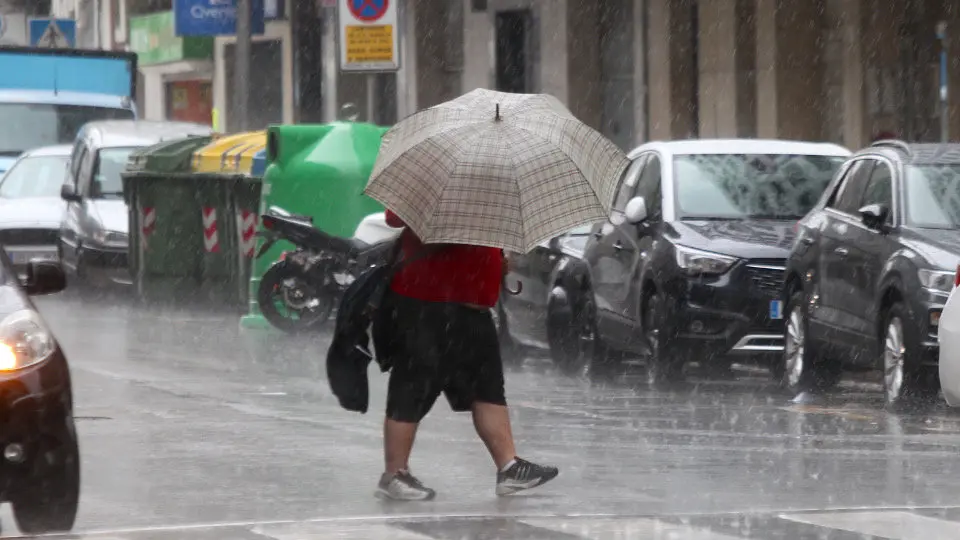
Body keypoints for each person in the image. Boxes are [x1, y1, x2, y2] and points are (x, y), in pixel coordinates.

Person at [376, 209, 559, 500]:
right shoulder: (436, 175)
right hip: (426, 303)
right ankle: (394, 475)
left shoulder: (487, 189)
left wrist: (496, 260)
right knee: (411, 388)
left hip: (472, 309)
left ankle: (509, 467)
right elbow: (395, 218)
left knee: (487, 390)